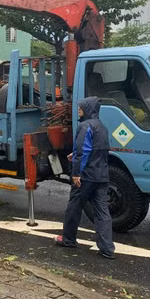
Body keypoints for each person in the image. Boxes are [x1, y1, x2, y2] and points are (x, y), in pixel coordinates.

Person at [55, 96, 115, 259]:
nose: (79, 111)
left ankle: (68, 240)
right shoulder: (102, 127)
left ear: (88, 109)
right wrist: (75, 154)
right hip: (102, 176)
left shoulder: (84, 126)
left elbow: (82, 152)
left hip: (86, 177)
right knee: (103, 212)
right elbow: (98, 150)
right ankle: (107, 248)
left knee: (74, 207)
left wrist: (75, 174)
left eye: (81, 108)